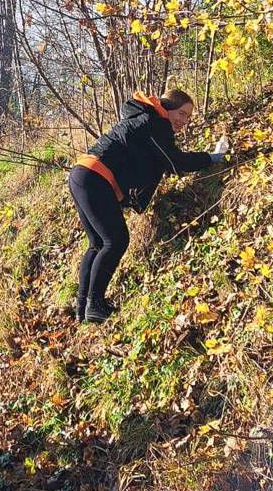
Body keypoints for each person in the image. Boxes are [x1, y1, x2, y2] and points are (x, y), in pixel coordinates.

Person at [69, 89, 228, 323]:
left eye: (188, 117)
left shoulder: (146, 119)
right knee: (116, 240)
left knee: (98, 244)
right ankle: (95, 304)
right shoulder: (156, 123)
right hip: (95, 177)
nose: (184, 121)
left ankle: (83, 307)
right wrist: (213, 157)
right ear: (168, 107)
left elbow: (158, 159)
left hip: (82, 173)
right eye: (182, 113)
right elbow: (175, 162)